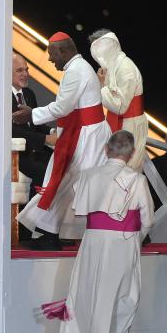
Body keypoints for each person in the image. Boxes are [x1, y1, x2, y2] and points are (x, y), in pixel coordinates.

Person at [43, 131, 153, 333]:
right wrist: (136, 236)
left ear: (106, 149)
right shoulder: (136, 179)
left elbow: (79, 212)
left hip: (93, 241)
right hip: (123, 243)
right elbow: (147, 219)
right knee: (123, 300)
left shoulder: (87, 176)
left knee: (91, 299)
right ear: (131, 153)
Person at [15, 32, 111, 250]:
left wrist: (31, 114)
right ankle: (50, 233)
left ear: (63, 51)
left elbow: (62, 108)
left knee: (70, 184)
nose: (49, 59)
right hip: (85, 133)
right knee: (65, 184)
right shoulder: (79, 67)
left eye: (51, 54)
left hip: (86, 136)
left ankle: (52, 234)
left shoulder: (75, 72)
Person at [89, 29, 148, 171]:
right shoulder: (114, 66)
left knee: (126, 173)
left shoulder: (125, 68)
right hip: (119, 124)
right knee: (113, 172)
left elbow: (120, 105)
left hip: (130, 126)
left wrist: (100, 86)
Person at [10, 53, 55, 194]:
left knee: (62, 162)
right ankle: (32, 211)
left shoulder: (29, 93)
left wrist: (52, 132)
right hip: (17, 154)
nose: (25, 74)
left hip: (36, 149)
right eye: (19, 71)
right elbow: (10, 130)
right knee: (44, 170)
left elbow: (36, 124)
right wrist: (45, 139)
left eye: (26, 69)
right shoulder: (0, 96)